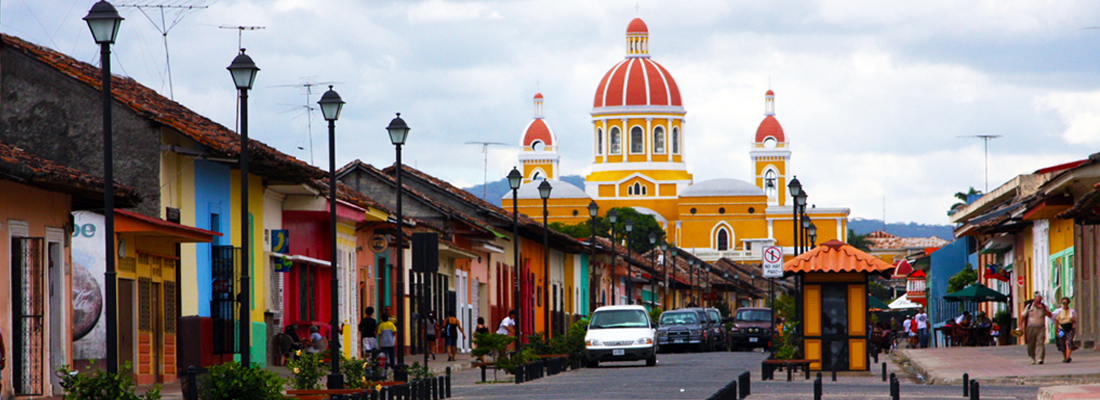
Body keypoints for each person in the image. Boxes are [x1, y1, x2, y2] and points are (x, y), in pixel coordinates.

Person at [1020, 292, 1052, 364]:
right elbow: (1023, 316)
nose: (1038, 301)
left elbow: (1050, 315)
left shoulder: (1044, 306)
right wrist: (1020, 325)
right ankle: (1032, 357)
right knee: (1031, 343)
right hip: (1031, 327)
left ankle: (1040, 358)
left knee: (1040, 343)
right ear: (1035, 299)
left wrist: (1043, 309)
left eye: (1040, 300)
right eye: (1037, 300)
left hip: (1041, 327)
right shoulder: (1029, 306)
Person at [1052, 296, 1078, 363]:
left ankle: (1068, 357)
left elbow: (1075, 320)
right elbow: (1056, 321)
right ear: (1061, 303)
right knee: (1062, 343)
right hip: (1061, 329)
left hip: (1070, 328)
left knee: (1069, 341)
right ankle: (1064, 356)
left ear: (1069, 303)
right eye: (1064, 303)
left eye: (1066, 303)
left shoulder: (1072, 311)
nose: (1065, 304)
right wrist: (1056, 331)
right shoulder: (1059, 311)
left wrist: (1073, 320)